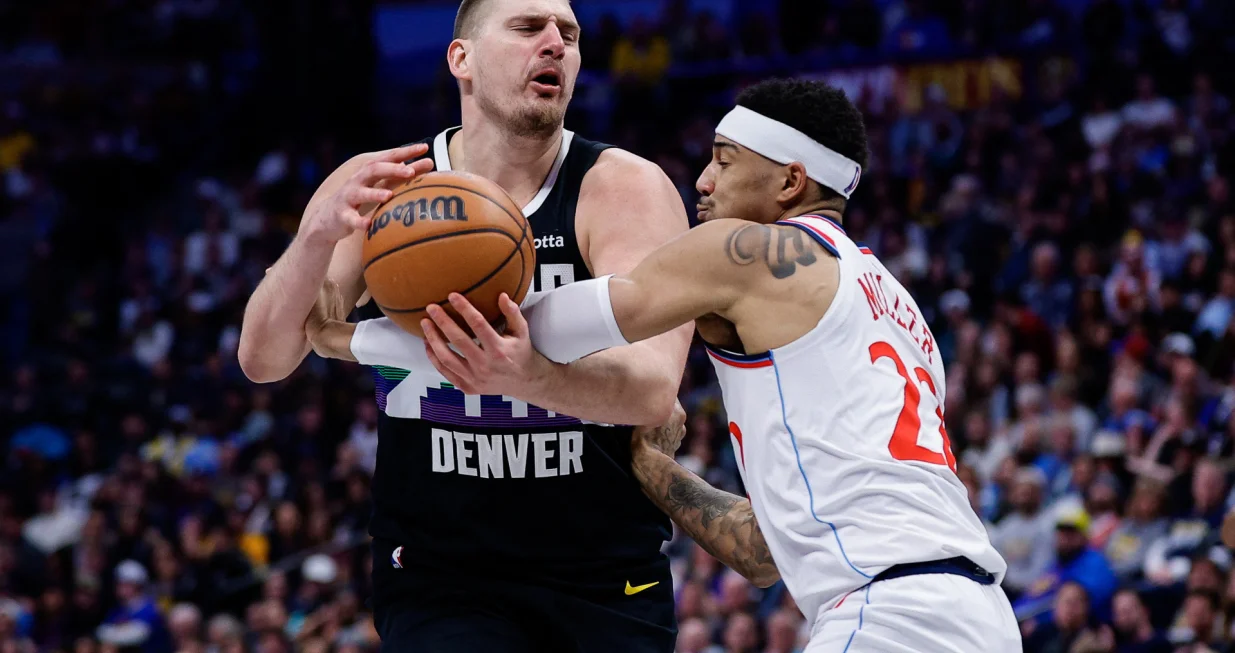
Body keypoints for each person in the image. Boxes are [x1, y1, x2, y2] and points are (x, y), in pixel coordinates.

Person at [306, 78, 1020, 651]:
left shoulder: (748, 253)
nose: (702, 182)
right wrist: (651, 468)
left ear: (789, 182)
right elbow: (763, 554)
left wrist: (347, 339)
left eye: (724, 159)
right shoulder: (896, 309)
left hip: (891, 612)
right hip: (976, 614)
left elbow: (539, 325)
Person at [238, 0, 694, 650]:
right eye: (527, 27)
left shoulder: (621, 188)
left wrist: (527, 374)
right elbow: (263, 357)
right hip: (439, 573)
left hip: (601, 572)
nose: (554, 45)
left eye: (568, 33)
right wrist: (315, 236)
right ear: (462, 59)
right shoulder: (384, 185)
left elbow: (650, 386)